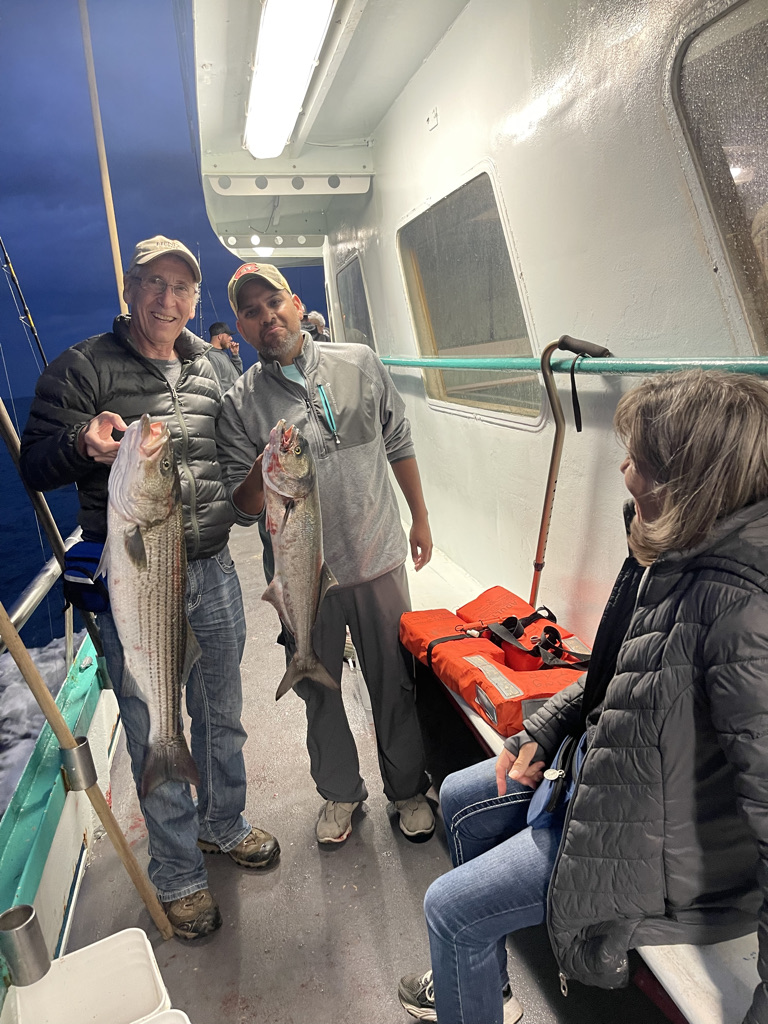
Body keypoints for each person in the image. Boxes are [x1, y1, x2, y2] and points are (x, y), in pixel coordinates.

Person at [398, 369, 768, 1024]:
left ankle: (467, 954)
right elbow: (618, 671)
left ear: (692, 481)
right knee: (458, 796)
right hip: (625, 792)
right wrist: (548, 725)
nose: (623, 469)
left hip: (670, 860)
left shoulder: (743, 614)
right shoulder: (671, 550)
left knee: (448, 910)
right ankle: (487, 984)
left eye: (641, 461)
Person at [19, 236, 280, 941]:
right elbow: (34, 463)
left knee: (222, 711)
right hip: (135, 577)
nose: (169, 299)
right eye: (155, 284)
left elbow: (236, 448)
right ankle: (177, 876)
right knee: (151, 724)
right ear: (130, 289)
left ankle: (222, 824)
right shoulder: (82, 368)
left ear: (196, 300)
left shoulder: (212, 364)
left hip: (214, 567)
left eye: (182, 288)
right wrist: (85, 444)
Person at [216, 261, 436, 845]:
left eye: (273, 303)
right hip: (298, 577)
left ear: (295, 300)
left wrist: (420, 517)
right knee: (317, 684)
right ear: (240, 326)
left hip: (377, 554)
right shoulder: (240, 402)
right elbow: (240, 506)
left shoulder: (358, 361)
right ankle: (340, 793)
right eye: (251, 312)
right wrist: (265, 472)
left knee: (395, 679)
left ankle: (409, 788)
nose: (267, 318)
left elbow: (398, 438)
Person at [206, 321, 243, 391]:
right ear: (220, 336)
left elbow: (238, 374)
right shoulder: (211, 356)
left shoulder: (223, 354)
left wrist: (235, 355)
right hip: (229, 400)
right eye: (228, 335)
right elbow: (216, 387)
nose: (231, 338)